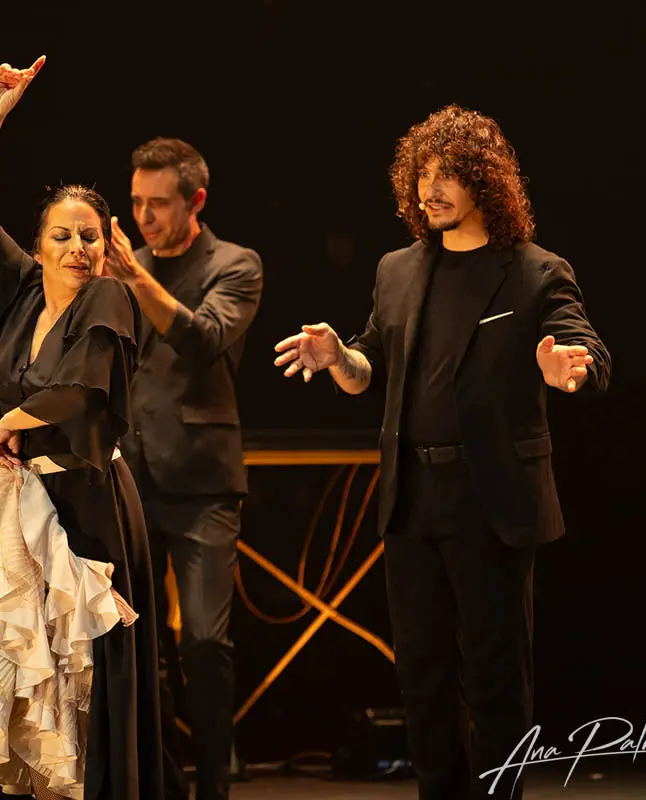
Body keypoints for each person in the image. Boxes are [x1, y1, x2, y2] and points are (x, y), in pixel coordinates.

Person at [273, 105, 610, 799]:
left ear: (487, 183)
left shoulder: (535, 273)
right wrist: (340, 357)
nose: (432, 188)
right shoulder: (398, 270)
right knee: (421, 678)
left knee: (494, 679)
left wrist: (572, 368)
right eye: (423, 173)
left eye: (449, 174)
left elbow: (587, 348)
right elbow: (371, 365)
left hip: (491, 501)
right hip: (412, 500)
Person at [0, 56, 162, 800]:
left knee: (84, 688)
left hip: (87, 512)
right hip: (21, 511)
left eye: (91, 235)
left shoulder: (108, 300)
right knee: (15, 678)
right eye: (62, 236)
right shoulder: (19, 290)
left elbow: (81, 390)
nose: (78, 248)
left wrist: (12, 418)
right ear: (40, 243)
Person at [105, 138, 262, 800]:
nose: (144, 217)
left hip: (202, 483)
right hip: (132, 478)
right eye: (136, 203)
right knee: (137, 650)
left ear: (196, 200)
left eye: (159, 204)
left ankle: (214, 786)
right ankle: (156, 781)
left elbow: (201, 341)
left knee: (202, 642)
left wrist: (135, 281)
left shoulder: (235, 264)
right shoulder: (126, 266)